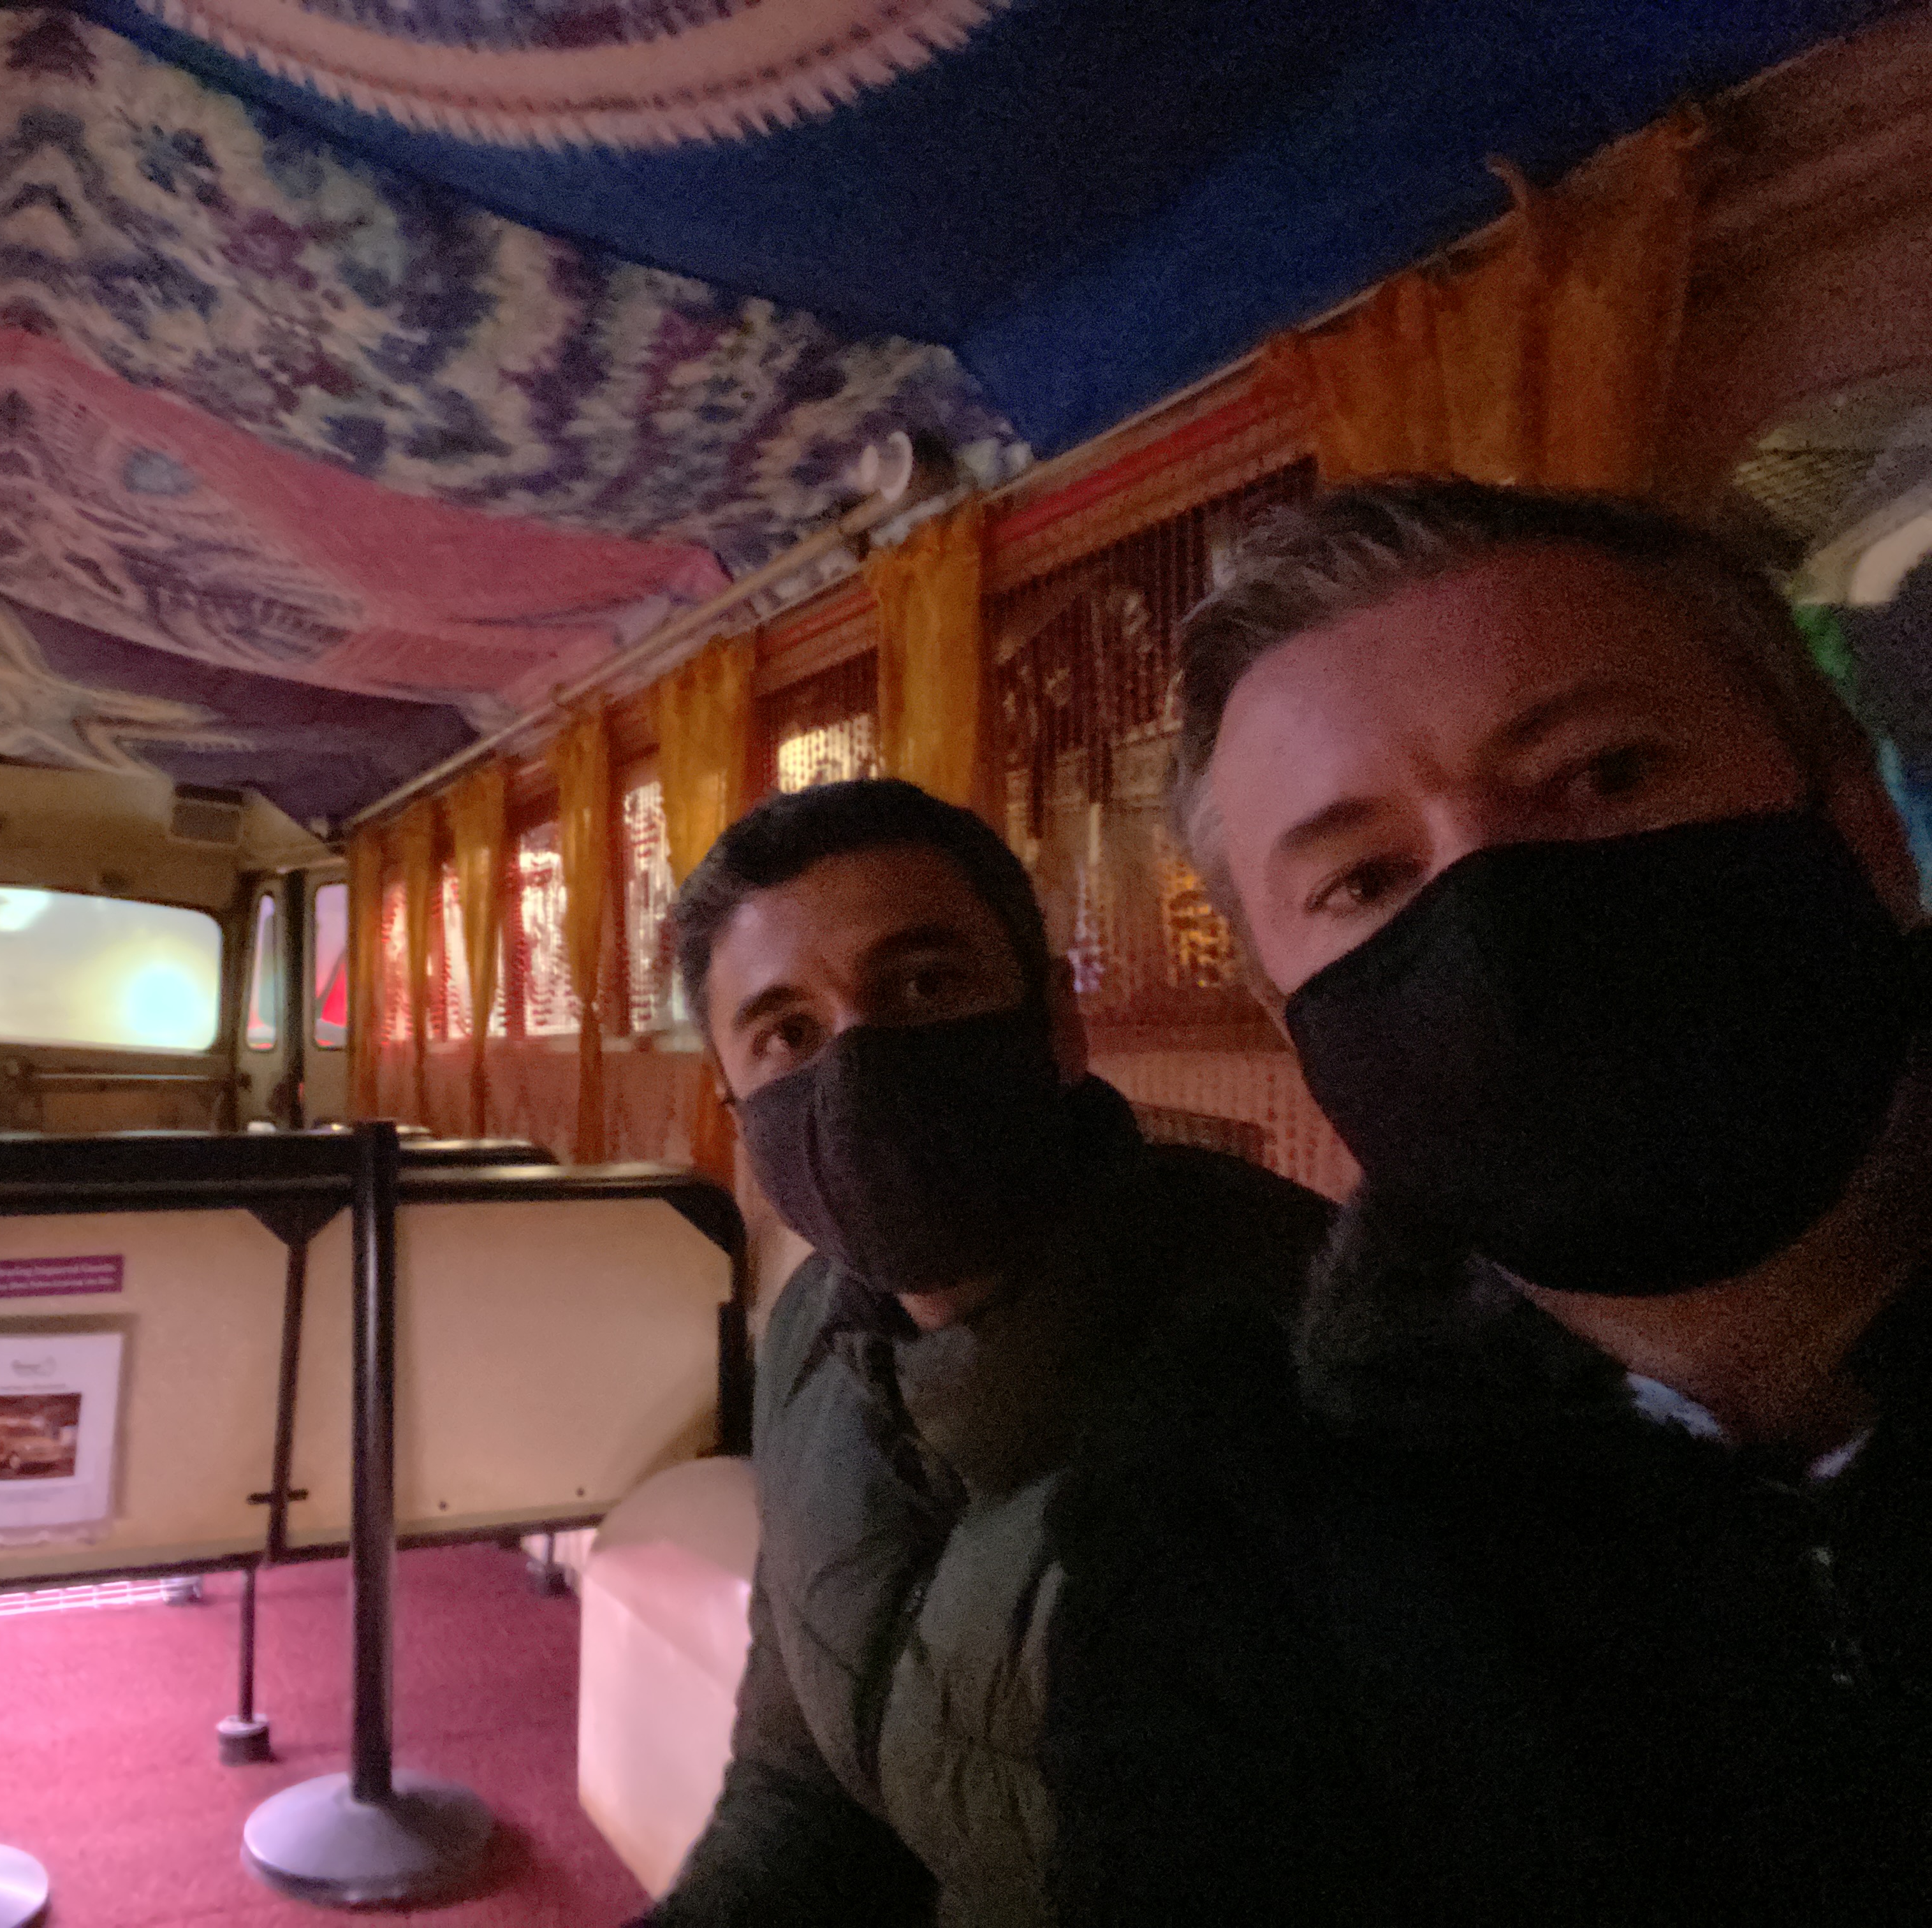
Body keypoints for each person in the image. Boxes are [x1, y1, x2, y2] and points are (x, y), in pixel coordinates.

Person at [1084, 476, 1929, 1925]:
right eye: (1365, 879)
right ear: (1293, 1023)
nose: (1495, 902)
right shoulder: (1221, 1518)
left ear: (1860, 818)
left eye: (1604, 774)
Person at [642, 778, 1331, 1926]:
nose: (860, 1068)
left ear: (1056, 1024)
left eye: (924, 985)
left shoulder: (1301, 1365)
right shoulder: (812, 1335)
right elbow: (799, 1789)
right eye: (789, 1033)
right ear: (736, 1108)